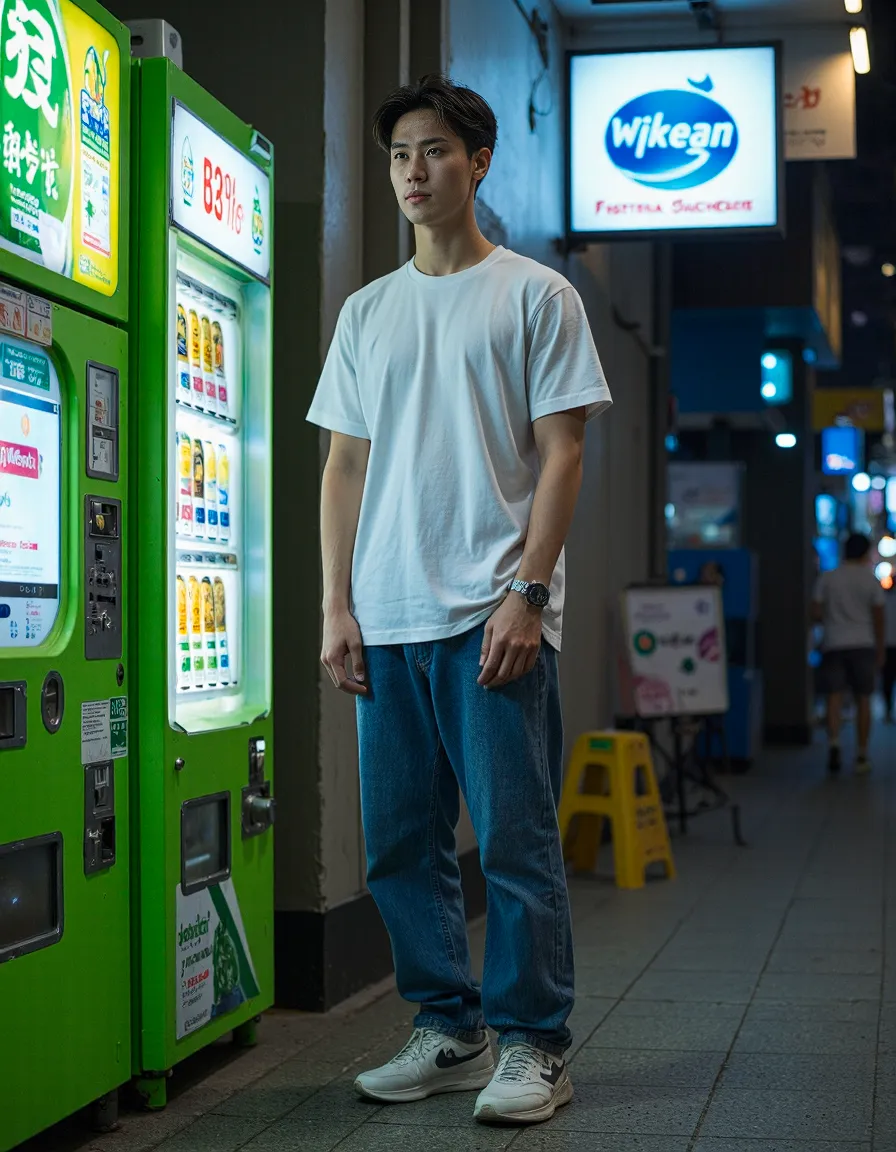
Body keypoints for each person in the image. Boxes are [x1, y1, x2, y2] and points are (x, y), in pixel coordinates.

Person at [306, 74, 611, 1125]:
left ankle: (535, 1044)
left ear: (476, 162)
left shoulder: (535, 295)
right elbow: (343, 465)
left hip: (492, 611)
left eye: (433, 151)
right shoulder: (367, 311)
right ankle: (447, 1027)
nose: (412, 172)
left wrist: (529, 591)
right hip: (384, 619)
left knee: (515, 843)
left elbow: (563, 453)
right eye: (398, 156)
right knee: (400, 841)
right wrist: (334, 608)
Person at [812, 532, 885, 773]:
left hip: (834, 643)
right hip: (863, 644)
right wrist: (880, 649)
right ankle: (862, 754)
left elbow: (815, 612)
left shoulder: (828, 578)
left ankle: (834, 743)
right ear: (865, 552)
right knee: (863, 698)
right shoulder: (870, 580)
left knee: (834, 695)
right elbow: (878, 618)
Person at [883, 580, 896, 723]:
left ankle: (888, 710)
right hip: (888, 644)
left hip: (887, 645)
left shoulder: (884, 600)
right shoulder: (884, 599)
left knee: (887, 680)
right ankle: (888, 709)